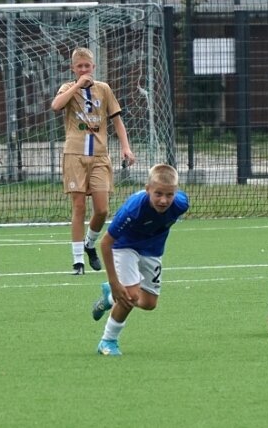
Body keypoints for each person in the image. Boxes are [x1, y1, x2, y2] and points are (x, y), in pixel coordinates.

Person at [51, 47, 136, 275]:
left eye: (87, 66)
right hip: (74, 155)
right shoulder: (68, 88)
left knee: (102, 209)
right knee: (78, 207)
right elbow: (56, 106)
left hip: (99, 155)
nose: (84, 70)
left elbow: (117, 120)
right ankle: (78, 261)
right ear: (73, 69)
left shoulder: (104, 89)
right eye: (79, 67)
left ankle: (90, 243)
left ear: (94, 67)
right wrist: (78, 85)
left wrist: (126, 148)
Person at [90, 164, 190, 356]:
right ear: (147, 190)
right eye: (158, 193)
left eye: (169, 195)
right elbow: (106, 243)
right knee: (131, 297)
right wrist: (114, 280)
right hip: (124, 246)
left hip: (152, 250)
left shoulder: (181, 204)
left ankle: (109, 297)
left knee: (149, 303)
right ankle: (107, 341)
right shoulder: (133, 210)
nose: (164, 200)